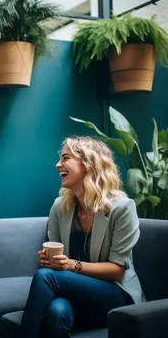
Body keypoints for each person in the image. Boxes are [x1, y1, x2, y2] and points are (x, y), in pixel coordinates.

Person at [20, 136, 145, 337]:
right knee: (57, 312)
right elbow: (56, 266)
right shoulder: (60, 207)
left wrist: (70, 265)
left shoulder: (122, 208)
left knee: (46, 277)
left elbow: (117, 270)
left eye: (66, 158)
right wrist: (49, 260)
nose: (57, 164)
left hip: (116, 295)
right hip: (78, 293)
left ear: (88, 164)